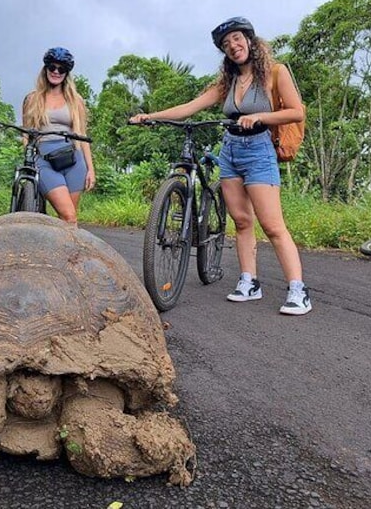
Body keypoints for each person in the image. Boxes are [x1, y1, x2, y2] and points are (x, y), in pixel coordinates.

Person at [130, 17, 311, 315]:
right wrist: (151, 116)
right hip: (230, 151)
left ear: (250, 41)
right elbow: (191, 106)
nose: (233, 46)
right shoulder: (227, 82)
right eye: (226, 44)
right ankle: (249, 282)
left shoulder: (275, 73)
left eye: (237, 39)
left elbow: (295, 112)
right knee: (241, 221)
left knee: (272, 225)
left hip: (259, 151)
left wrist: (260, 117)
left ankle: (298, 290)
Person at [21, 47, 95, 225]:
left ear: (66, 74)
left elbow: (81, 135)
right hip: (45, 159)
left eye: (61, 69)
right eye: (52, 67)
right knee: (68, 214)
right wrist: (28, 157)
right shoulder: (32, 99)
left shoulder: (76, 100)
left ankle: (67, 253)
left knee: (69, 220)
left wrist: (91, 169)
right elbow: (26, 134)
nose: (56, 72)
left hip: (73, 159)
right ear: (45, 69)